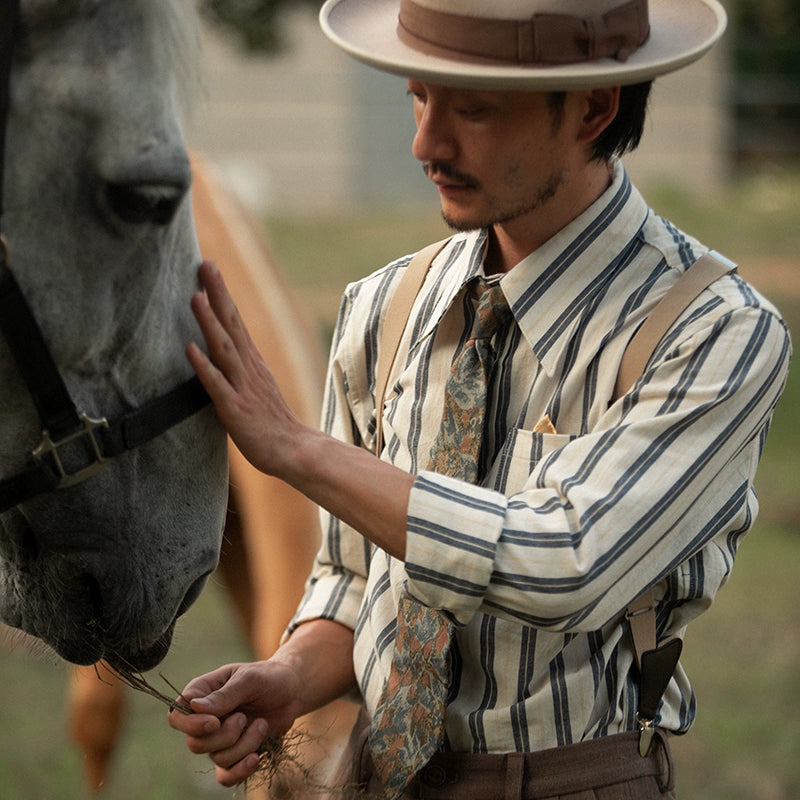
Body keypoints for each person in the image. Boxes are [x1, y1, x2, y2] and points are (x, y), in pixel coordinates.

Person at [169, 0, 792, 797]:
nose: (427, 143)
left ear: (595, 109)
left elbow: (567, 562)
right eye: (418, 98)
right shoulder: (383, 309)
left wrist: (299, 450)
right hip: (373, 777)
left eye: (474, 109)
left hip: (573, 780)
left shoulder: (713, 331)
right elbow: (355, 577)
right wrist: (291, 675)